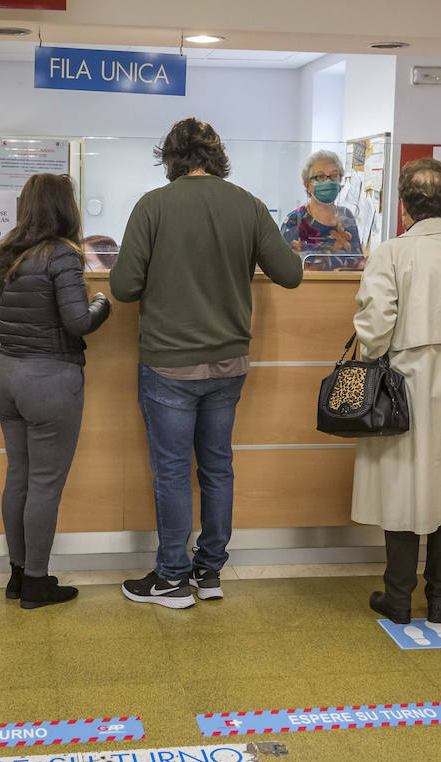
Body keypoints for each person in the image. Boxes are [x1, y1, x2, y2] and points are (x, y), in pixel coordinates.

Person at [110, 118, 303, 608]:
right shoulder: (249, 205)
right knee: (218, 467)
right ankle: (209, 571)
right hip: (229, 362)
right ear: (217, 156)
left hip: (169, 365)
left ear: (170, 158)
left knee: (173, 471)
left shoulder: (153, 206)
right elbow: (289, 274)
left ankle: (172, 579)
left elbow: (123, 287)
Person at [352, 157, 441, 626]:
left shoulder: (392, 252)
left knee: (404, 485)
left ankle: (397, 598)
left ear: (404, 206)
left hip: (407, 378)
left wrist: (370, 355)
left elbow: (374, 328)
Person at [0, 173, 111, 609]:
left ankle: (18, 575)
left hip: (7, 376)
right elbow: (79, 322)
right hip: (50, 380)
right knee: (44, 484)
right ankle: (39, 584)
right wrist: (103, 304)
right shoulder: (62, 255)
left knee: (18, 477)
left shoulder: (5, 254)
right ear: (65, 207)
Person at [280, 150, 364, 271]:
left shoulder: (347, 216)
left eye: (334, 175)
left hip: (348, 288)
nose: (328, 181)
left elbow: (358, 261)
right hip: (307, 289)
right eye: (320, 177)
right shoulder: (295, 220)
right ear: (306, 184)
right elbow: (283, 269)